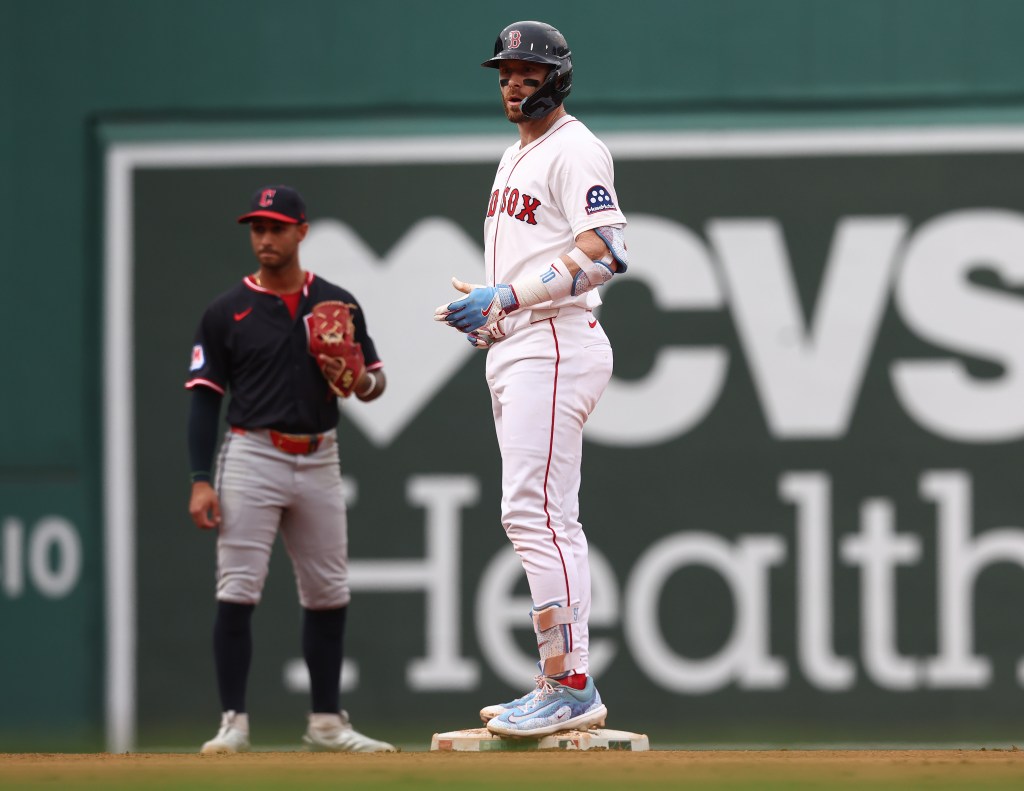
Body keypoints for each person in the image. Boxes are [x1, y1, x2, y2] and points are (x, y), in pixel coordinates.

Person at [434, 21, 629, 738]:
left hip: (554, 339)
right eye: (506, 70)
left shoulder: (576, 147)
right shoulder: (515, 156)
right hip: (522, 342)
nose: (515, 81)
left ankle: (569, 683)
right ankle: (562, 673)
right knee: (549, 518)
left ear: (558, 76)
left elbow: (606, 253)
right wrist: (491, 313)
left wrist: (510, 298)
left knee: (534, 516)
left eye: (529, 69)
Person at [185, 185, 395, 754]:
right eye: (258, 228)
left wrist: (355, 376)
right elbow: (205, 397)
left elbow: (375, 384)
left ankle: (326, 723)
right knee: (238, 589)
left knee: (328, 591)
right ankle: (234, 721)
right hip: (252, 453)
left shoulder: (337, 302)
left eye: (277, 227)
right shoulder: (227, 310)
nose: (266, 238)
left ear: (302, 231)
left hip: (319, 453)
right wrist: (200, 479)